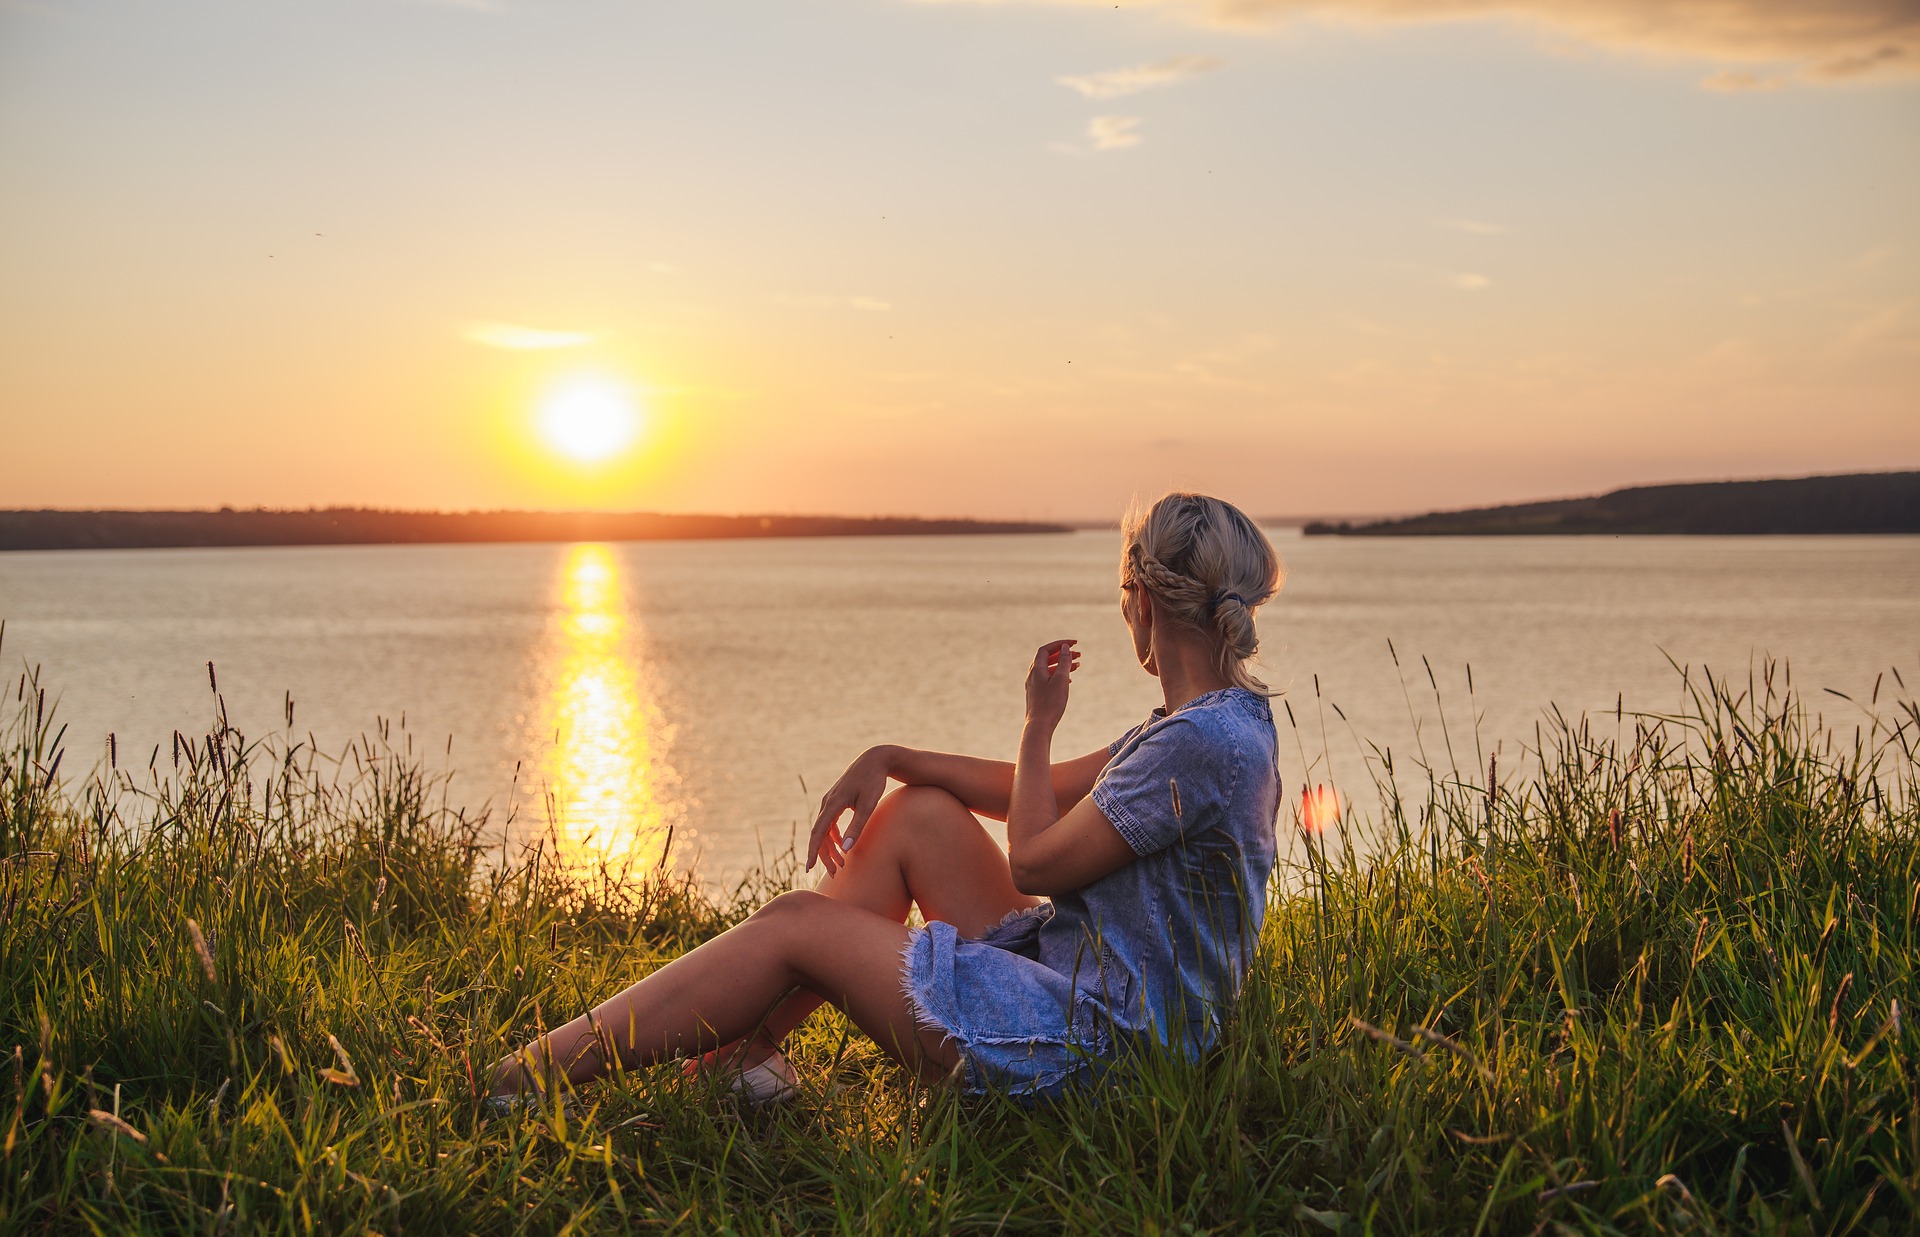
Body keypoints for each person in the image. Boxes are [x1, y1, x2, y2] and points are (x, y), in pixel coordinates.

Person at [488, 492, 1283, 1106]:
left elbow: (1035, 858)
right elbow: (1028, 800)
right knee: (921, 812)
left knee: (797, 924)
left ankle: (520, 1078)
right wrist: (892, 757)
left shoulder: (1195, 744)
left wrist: (1037, 725)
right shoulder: (1216, 725)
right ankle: (744, 1059)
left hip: (1096, 1047)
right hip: (1113, 1006)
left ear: (1141, 599)